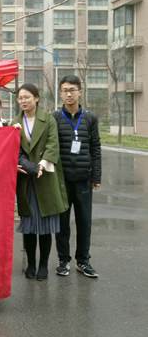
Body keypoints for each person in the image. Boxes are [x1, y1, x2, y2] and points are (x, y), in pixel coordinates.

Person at [12, 83, 68, 281]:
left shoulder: (48, 119)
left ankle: (43, 264)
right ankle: (31, 264)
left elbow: (53, 144)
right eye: (20, 98)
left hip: (45, 177)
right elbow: (13, 148)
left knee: (45, 227)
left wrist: (42, 164)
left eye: (27, 97)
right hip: (26, 178)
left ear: (36, 98)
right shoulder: (15, 122)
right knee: (28, 225)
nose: (23, 101)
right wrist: (27, 165)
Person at [53, 75, 101, 278]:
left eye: (72, 90)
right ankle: (63, 261)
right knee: (62, 224)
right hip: (62, 181)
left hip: (83, 180)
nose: (69, 94)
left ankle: (83, 261)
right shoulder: (55, 118)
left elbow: (95, 148)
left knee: (84, 222)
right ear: (60, 93)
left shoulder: (90, 118)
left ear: (80, 92)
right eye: (65, 90)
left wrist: (96, 176)